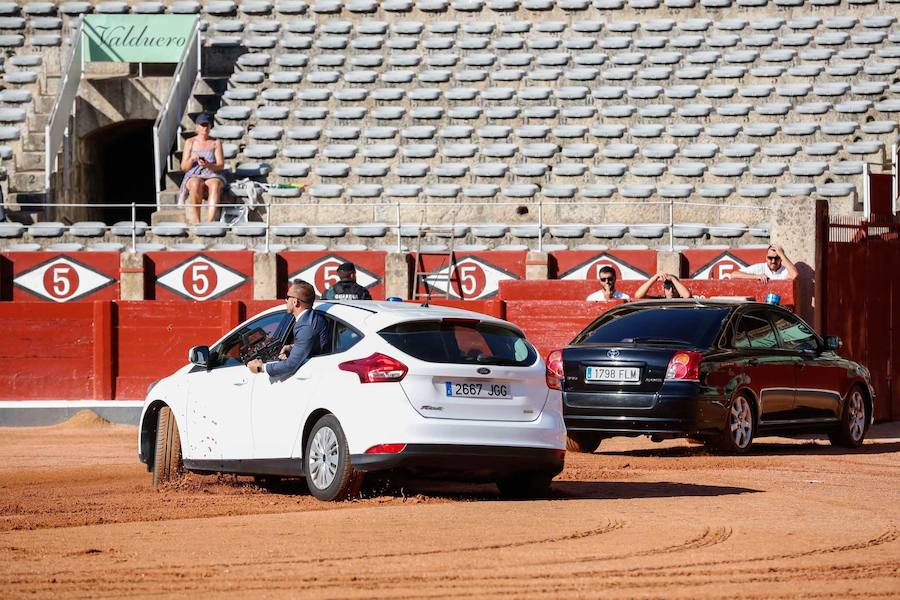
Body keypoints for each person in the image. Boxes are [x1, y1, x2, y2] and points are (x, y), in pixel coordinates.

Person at [247, 280, 328, 379]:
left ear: (295, 302)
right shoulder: (313, 318)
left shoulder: (306, 326)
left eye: (287, 297)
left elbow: (291, 365)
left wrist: (261, 368)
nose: (285, 301)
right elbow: (309, 343)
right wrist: (291, 347)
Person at [179, 113, 227, 225]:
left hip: (211, 173)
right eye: (202, 125)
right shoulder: (190, 142)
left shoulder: (216, 142)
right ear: (197, 126)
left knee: (215, 185)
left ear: (210, 127)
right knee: (195, 184)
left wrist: (208, 165)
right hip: (194, 174)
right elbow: (184, 167)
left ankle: (210, 222)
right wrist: (192, 159)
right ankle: (197, 222)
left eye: (207, 125)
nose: (205, 128)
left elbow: (220, 165)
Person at [731, 244, 798, 282]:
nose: (773, 261)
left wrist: (781, 254)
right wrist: (757, 277)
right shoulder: (760, 267)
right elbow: (733, 275)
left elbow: (794, 275)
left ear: (781, 259)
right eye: (770, 258)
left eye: (776, 258)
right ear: (766, 257)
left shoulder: (785, 271)